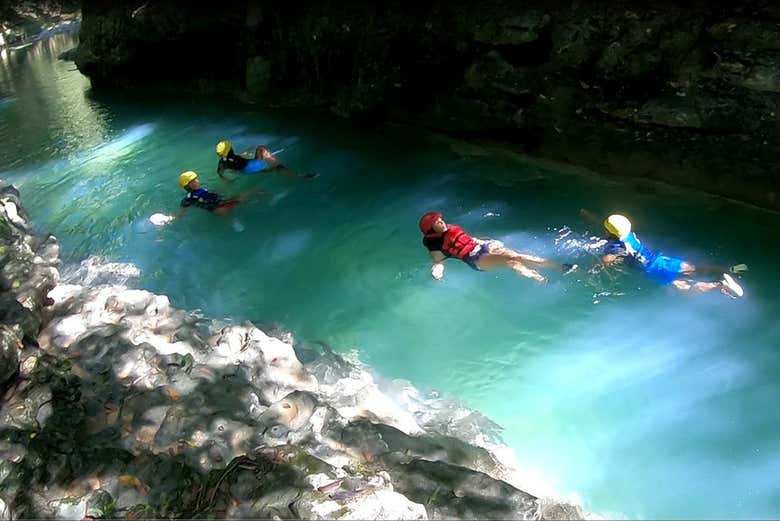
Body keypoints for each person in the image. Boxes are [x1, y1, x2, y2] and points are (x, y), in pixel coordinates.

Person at [598, 213, 746, 297]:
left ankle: (719, 285)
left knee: (685, 289)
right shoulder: (629, 235)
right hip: (661, 260)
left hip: (653, 270)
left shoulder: (616, 247)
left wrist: (595, 266)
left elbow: (606, 260)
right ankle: (732, 269)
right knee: (696, 268)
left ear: (609, 233)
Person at [419, 212, 577, 283]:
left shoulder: (451, 228)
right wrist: (437, 271)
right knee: (512, 261)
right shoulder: (435, 244)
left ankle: (560, 268)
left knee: (517, 257)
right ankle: (544, 280)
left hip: (484, 248)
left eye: (440, 219)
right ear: (432, 229)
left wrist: (487, 242)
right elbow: (438, 261)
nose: (441, 222)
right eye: (437, 222)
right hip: (476, 259)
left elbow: (470, 239)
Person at [215, 140, 316, 181]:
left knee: (269, 170)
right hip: (252, 166)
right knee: (261, 148)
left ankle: (272, 169)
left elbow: (220, 173)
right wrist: (248, 153)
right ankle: (278, 165)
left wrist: (229, 180)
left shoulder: (222, 162)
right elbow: (242, 160)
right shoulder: (236, 158)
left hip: (244, 171)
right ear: (230, 149)